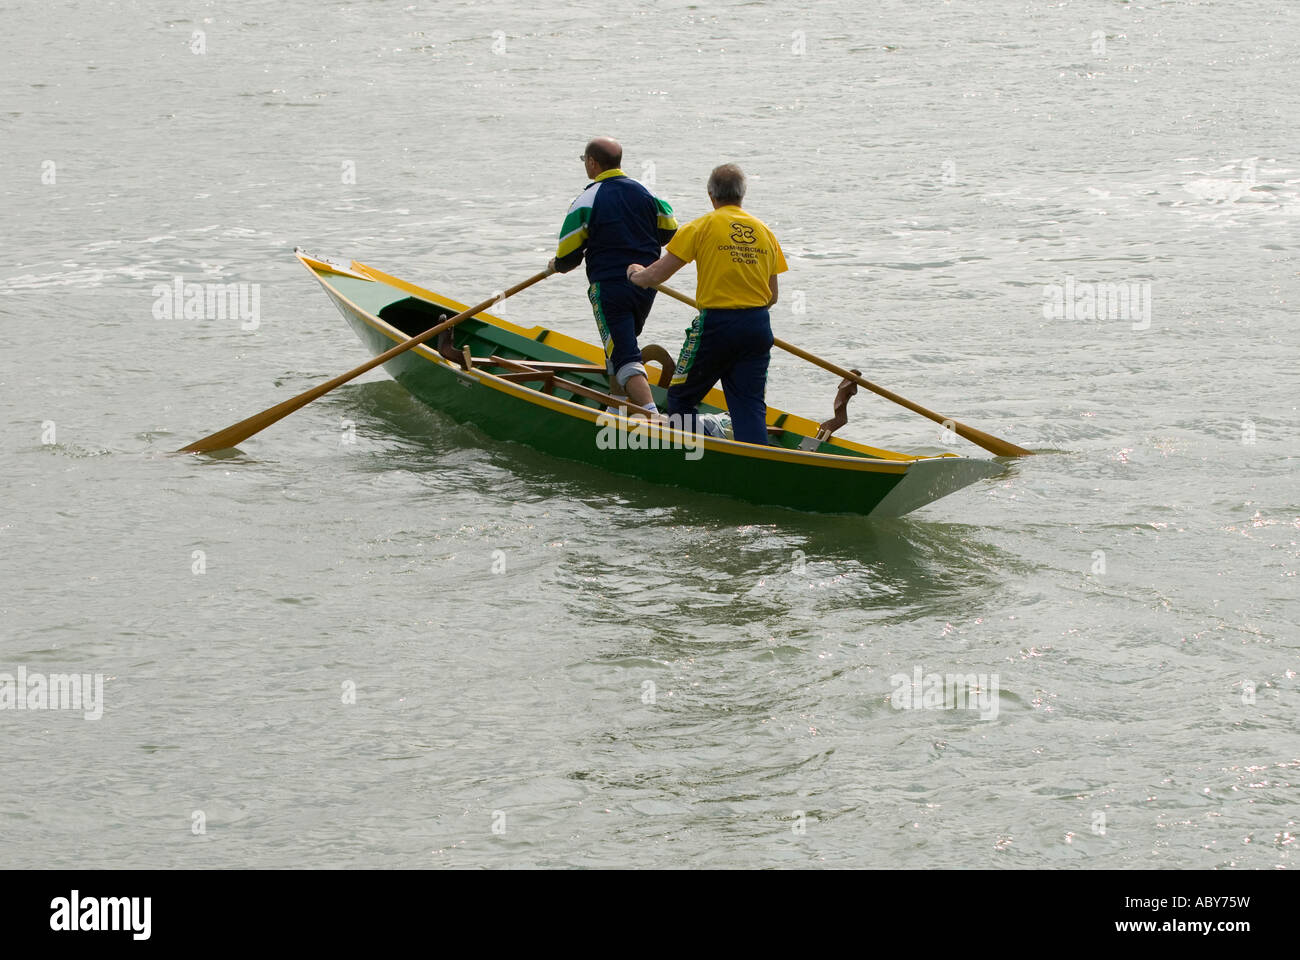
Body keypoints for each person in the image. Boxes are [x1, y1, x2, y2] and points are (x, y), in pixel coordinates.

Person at [626, 163, 787, 444]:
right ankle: (756, 468)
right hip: (758, 327)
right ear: (742, 195)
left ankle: (692, 460)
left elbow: (657, 275)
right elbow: (772, 296)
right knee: (749, 406)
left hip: (716, 326)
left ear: (711, 195)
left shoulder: (701, 226)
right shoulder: (765, 233)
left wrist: (635, 275)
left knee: (681, 398)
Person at [547, 137, 677, 413]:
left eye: (585, 162)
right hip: (646, 285)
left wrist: (556, 265)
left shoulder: (587, 199)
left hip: (610, 287)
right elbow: (669, 230)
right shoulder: (647, 194)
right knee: (618, 341)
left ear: (593, 163)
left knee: (623, 354)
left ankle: (651, 416)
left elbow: (569, 257)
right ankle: (617, 404)